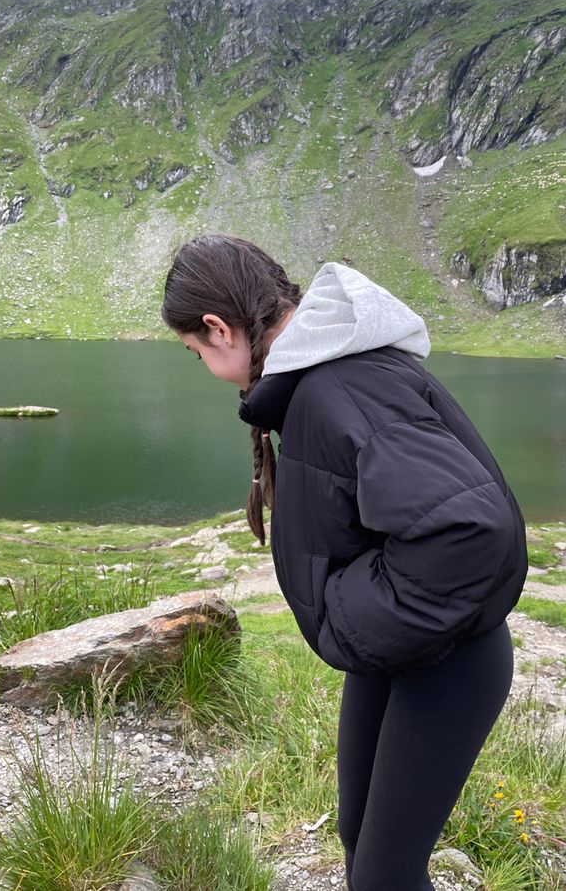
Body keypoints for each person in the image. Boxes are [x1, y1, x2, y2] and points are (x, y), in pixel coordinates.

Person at [161, 235, 528, 891]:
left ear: (218, 328)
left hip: (450, 659)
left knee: (386, 874)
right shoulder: (327, 375)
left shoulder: (336, 389)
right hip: (406, 648)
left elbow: (469, 528)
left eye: (195, 353)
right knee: (360, 839)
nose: (204, 365)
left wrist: (348, 610)